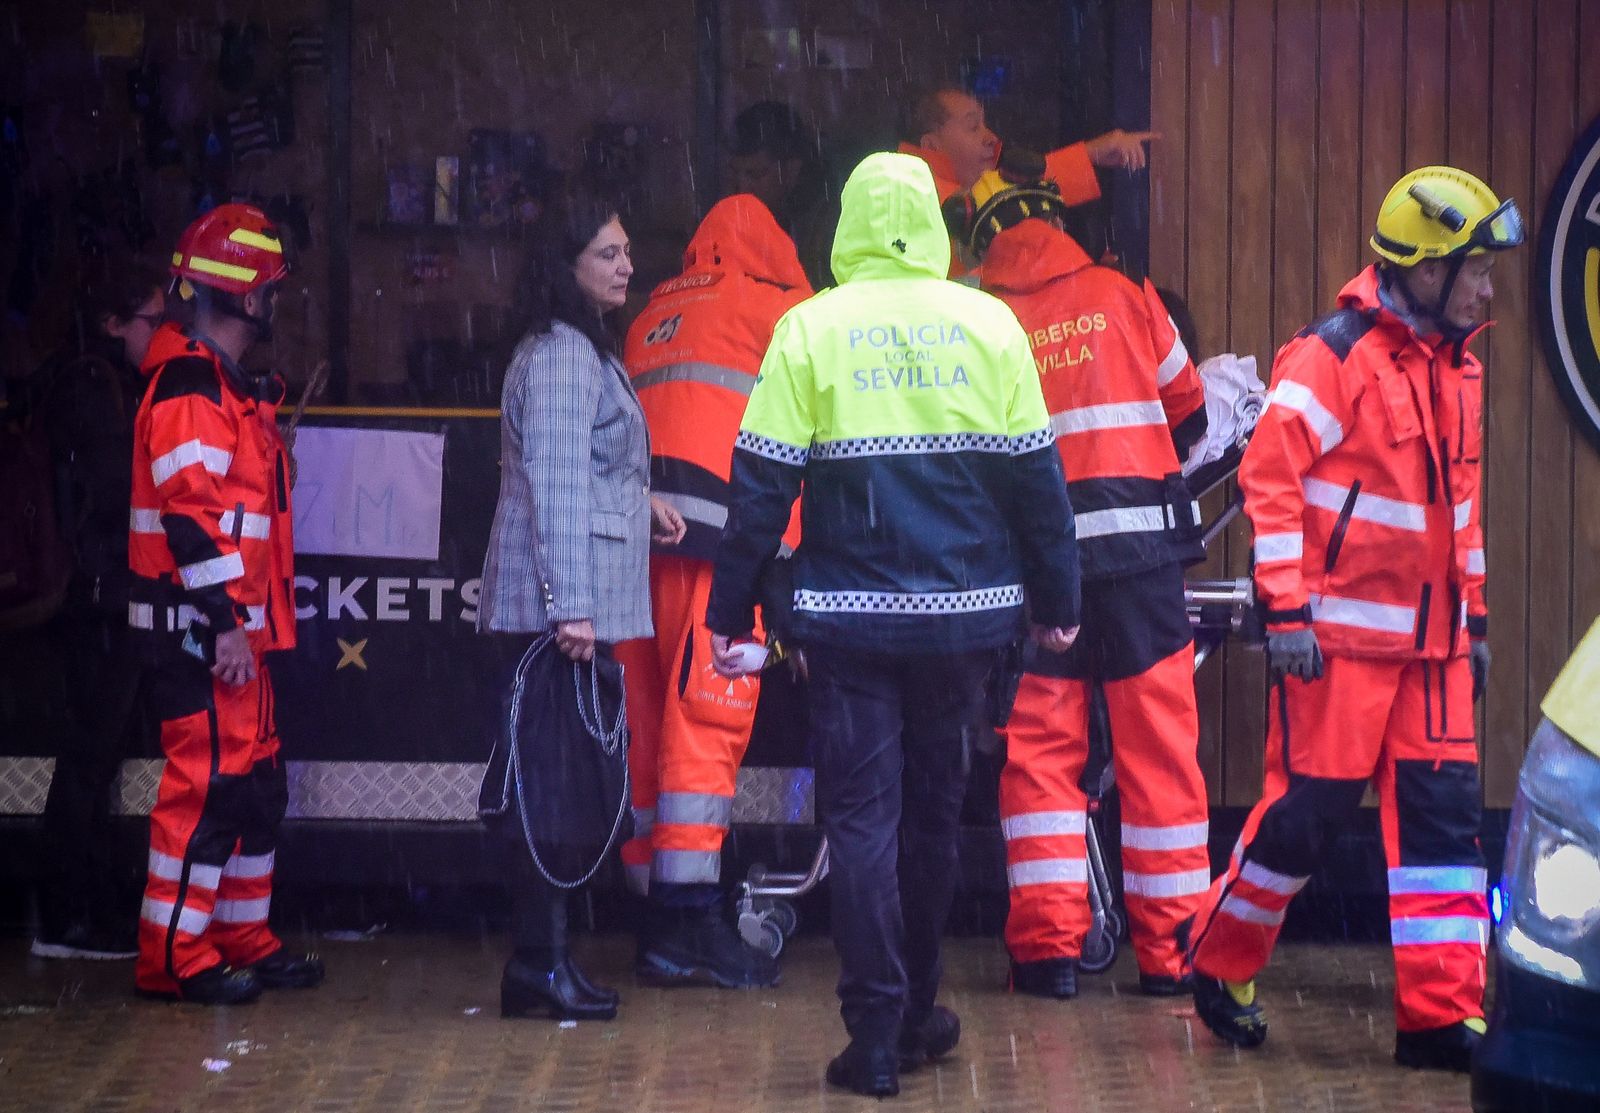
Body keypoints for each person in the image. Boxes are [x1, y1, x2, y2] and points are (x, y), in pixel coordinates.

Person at [706, 151, 1082, 1098]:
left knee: (863, 824)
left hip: (849, 629)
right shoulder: (989, 323)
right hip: (964, 627)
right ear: (934, 225)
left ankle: (874, 1033)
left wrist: (727, 609)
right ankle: (919, 1009)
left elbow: (759, 488)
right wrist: (1061, 599)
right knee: (931, 822)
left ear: (850, 227)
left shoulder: (809, 329)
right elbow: (1038, 482)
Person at [1183, 166, 1522, 1072]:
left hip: (1436, 652)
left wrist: (1476, 623)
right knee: (1304, 822)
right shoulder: (1331, 356)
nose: (1489, 289)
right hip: (1336, 648)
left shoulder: (1461, 368)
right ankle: (1221, 962)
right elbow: (1270, 478)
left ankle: (1442, 1018)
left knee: (1447, 835)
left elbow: (1461, 511)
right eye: (1476, 269)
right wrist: (1284, 611)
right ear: (1425, 269)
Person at [957, 171, 1211, 999]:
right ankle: (1173, 956)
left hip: (1038, 574)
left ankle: (1047, 953)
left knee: (1039, 757)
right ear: (1059, 223)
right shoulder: (1123, 289)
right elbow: (1193, 409)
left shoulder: (980, 317)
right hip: (1141, 563)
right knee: (1160, 754)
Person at [476, 183, 686, 1023]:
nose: (628, 264)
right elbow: (557, 484)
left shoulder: (572, 347)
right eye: (609, 252)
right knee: (553, 795)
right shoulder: (564, 353)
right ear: (567, 268)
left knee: (560, 790)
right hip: (552, 616)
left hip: (560, 609)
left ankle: (548, 962)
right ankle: (539, 966)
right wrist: (571, 608)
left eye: (628, 250)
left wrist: (641, 503)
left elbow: (583, 472)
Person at [128, 203, 323, 1004]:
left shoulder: (230, 392)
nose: (275, 304)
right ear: (246, 298)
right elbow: (189, 519)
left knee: (253, 790)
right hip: (206, 637)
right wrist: (226, 626)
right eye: (270, 291)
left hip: (241, 638)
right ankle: (173, 955)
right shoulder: (190, 388)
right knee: (204, 790)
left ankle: (240, 933)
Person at [616, 194, 811, 990]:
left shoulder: (651, 309)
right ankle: (687, 926)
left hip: (637, 546)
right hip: (724, 552)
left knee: (649, 723)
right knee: (704, 725)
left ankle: (653, 906)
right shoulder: (783, 310)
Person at [30, 257, 166, 960]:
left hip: (102, 593)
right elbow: (117, 492)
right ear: (113, 324)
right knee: (89, 756)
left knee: (99, 757)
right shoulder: (93, 386)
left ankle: (82, 903)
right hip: (98, 596)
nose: (162, 333)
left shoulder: (88, 379)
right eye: (151, 320)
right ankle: (64, 915)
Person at [896, 83, 1156, 273]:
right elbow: (1001, 203)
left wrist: (1090, 155)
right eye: (973, 127)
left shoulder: (909, 192)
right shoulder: (917, 200)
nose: (992, 138)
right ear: (931, 146)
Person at [728, 102, 839, 289]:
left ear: (792, 169)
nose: (742, 187)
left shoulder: (827, 228)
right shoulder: (732, 219)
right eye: (734, 173)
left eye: (755, 175)